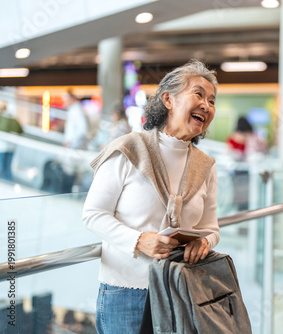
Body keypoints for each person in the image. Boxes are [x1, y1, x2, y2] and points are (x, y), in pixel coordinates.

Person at [82, 59, 220, 333]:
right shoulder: (129, 149)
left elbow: (212, 228)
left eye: (212, 100)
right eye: (198, 94)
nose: (207, 105)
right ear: (168, 99)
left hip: (181, 288)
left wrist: (204, 242)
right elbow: (92, 214)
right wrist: (139, 240)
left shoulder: (205, 165)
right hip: (127, 293)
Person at [0, 100, 23, 181]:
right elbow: (20, 131)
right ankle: (8, 183)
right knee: (8, 166)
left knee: (1, 165)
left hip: (2, 147)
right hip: (12, 147)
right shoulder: (14, 119)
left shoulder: (2, 118)